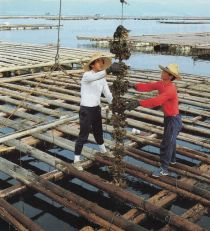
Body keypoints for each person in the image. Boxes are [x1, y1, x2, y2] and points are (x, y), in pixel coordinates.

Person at [126, 64, 183, 177]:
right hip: (168, 118)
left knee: (166, 143)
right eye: (163, 71)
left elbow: (156, 101)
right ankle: (172, 160)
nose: (162, 72)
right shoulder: (161, 83)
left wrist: (138, 103)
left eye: (165, 72)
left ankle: (164, 169)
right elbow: (147, 86)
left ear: (171, 76)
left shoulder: (170, 89)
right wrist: (133, 86)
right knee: (171, 140)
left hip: (174, 120)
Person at [74, 53, 123, 170]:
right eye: (98, 61)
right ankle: (76, 160)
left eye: (102, 62)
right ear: (92, 65)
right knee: (83, 135)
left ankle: (103, 150)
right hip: (86, 109)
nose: (101, 63)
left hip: (96, 108)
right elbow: (95, 77)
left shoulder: (102, 79)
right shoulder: (86, 76)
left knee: (98, 131)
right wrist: (110, 69)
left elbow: (108, 94)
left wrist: (115, 105)